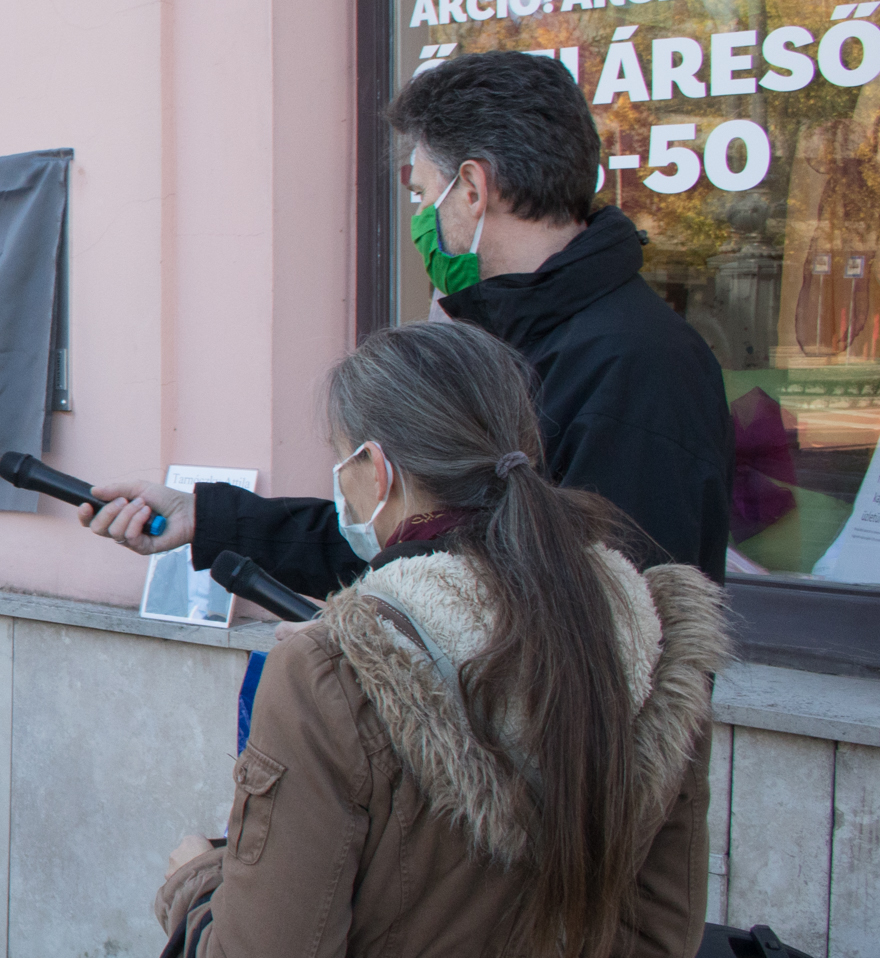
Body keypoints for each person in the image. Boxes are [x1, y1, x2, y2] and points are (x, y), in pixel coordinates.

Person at [148, 321, 724, 958]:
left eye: (339, 461)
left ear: (376, 472)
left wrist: (198, 883)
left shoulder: (332, 664)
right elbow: (648, 948)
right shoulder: (645, 643)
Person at [86, 51, 733, 593]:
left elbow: (606, 636)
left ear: (473, 189)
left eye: (423, 194)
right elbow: (418, 541)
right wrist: (209, 519)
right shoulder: (506, 338)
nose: (420, 217)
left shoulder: (638, 364)